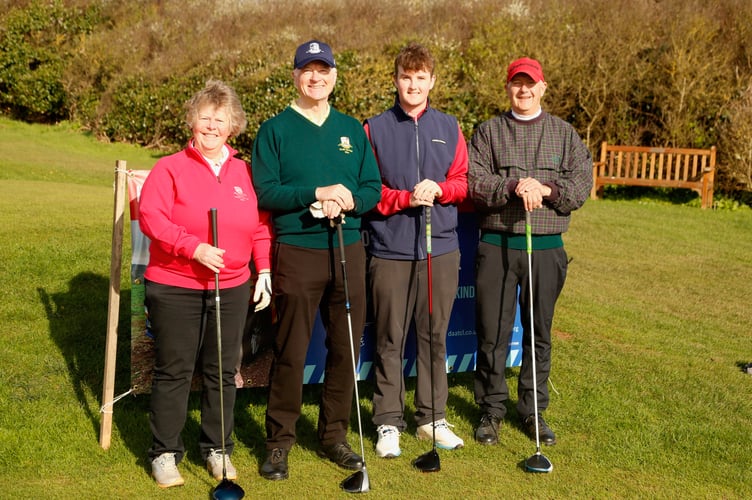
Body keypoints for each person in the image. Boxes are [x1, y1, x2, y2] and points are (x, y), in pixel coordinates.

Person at [251, 40, 381, 480]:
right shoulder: (275, 129)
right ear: (294, 76)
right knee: (292, 349)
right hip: (298, 251)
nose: (316, 77)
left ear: (334, 76)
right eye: (307, 70)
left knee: (345, 348)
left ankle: (333, 436)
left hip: (346, 248)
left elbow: (372, 189)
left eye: (323, 69)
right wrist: (315, 194)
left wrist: (349, 201)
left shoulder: (350, 129)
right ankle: (279, 442)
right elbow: (265, 191)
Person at [139, 80, 273, 488]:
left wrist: (263, 270)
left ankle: (217, 447)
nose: (212, 126)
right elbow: (152, 218)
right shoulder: (169, 168)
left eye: (221, 119)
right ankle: (164, 452)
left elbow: (259, 227)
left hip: (232, 286)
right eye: (205, 117)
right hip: (175, 283)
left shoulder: (245, 172)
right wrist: (193, 248)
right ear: (192, 121)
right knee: (175, 370)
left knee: (221, 370)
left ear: (233, 126)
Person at [467, 57, 592, 447]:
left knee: (539, 332)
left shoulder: (564, 133)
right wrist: (514, 185)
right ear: (507, 88)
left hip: (546, 248)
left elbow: (579, 186)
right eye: (516, 84)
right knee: (492, 333)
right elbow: (475, 183)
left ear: (543, 87)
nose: (523, 90)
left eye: (530, 84)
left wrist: (547, 189)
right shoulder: (488, 132)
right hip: (498, 244)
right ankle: (491, 409)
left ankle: (533, 410)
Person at [363, 42, 468, 458]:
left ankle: (431, 417)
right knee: (390, 338)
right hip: (390, 248)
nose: (413, 85)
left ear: (432, 82)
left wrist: (440, 189)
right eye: (406, 77)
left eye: (421, 78)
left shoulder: (450, 126)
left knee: (433, 336)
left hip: (439, 248)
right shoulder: (374, 127)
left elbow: (462, 182)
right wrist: (404, 199)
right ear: (396, 81)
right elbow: (369, 193)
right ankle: (388, 421)